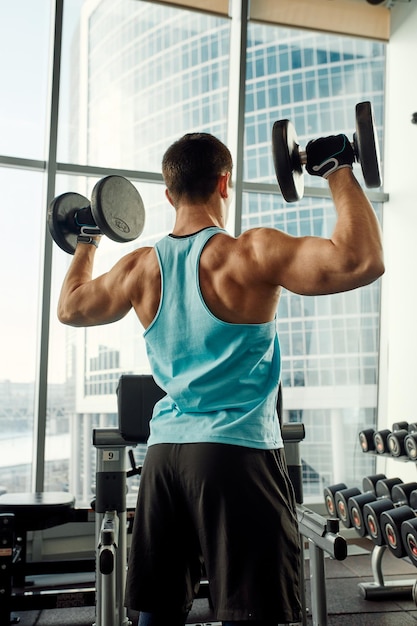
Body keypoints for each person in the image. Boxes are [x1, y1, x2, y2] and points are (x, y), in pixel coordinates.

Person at [57, 132, 384, 626]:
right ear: (224, 182)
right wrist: (336, 167)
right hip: (237, 455)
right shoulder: (249, 252)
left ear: (169, 194)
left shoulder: (141, 266)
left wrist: (87, 237)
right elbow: (361, 260)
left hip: (164, 458)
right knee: (252, 614)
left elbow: (70, 306)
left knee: (157, 615)